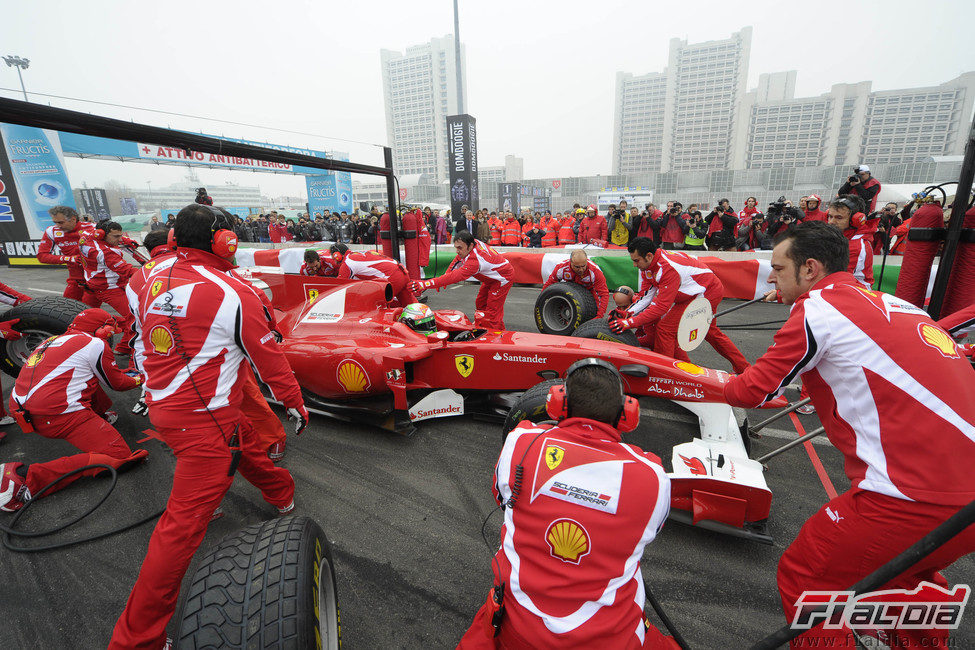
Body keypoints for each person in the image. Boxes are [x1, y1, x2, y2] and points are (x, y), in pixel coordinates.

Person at [724, 221, 975, 649]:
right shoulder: (899, 304)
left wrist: (690, 377)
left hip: (908, 498)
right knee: (901, 579)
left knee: (807, 578)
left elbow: (750, 390)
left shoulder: (818, 309)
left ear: (810, 270)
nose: (772, 277)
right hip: (963, 506)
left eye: (779, 268)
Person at [110, 204, 309, 648]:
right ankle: (136, 638)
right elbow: (269, 358)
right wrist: (295, 403)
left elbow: (140, 336)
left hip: (168, 406)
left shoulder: (145, 277)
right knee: (179, 531)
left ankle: (281, 492)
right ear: (226, 242)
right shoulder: (235, 290)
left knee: (241, 444)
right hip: (203, 418)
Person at [457, 357, 676, 649]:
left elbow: (502, 498)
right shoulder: (654, 477)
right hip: (607, 640)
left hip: (516, 631)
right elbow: (648, 534)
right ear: (626, 414)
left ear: (558, 403)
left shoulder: (520, 443)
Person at [2, 308, 147, 513]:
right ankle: (25, 477)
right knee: (117, 458)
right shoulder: (94, 344)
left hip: (23, 410)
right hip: (57, 415)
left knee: (87, 376)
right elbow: (118, 384)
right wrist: (143, 378)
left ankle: (99, 416)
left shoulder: (50, 341)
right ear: (102, 330)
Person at [609, 237, 750, 374]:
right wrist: (627, 313)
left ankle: (665, 375)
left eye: (636, 261)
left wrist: (629, 323)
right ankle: (743, 368)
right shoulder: (647, 265)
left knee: (665, 330)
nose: (634, 265)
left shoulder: (667, 268)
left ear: (649, 256)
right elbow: (646, 296)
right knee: (709, 332)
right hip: (691, 293)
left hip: (706, 292)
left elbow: (661, 307)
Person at [410, 231, 514, 329]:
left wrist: (425, 284)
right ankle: (484, 327)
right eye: (456, 247)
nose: (457, 251)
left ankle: (496, 337)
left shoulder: (475, 261)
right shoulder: (471, 243)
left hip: (502, 279)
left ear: (471, 246)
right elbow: (457, 260)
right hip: (492, 278)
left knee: (492, 311)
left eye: (460, 248)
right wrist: (446, 274)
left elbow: (454, 277)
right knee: (480, 303)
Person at [78, 220, 138, 356]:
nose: (120, 239)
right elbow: (127, 270)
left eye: (121, 235)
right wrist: (152, 272)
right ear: (102, 234)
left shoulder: (86, 235)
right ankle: (123, 347)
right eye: (116, 237)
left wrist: (126, 240)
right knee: (135, 318)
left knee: (84, 318)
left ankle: (80, 345)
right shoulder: (105, 253)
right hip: (110, 288)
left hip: (91, 285)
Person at [37, 205, 98, 306]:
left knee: (87, 312)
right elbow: (42, 256)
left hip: (96, 279)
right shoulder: (51, 231)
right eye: (55, 222)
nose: (58, 226)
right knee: (66, 309)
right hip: (76, 279)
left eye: (61, 222)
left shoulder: (93, 228)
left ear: (73, 219)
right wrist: (69, 259)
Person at [330, 244, 417, 306]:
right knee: (411, 306)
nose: (334, 261)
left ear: (337, 255)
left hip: (391, 277)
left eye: (334, 258)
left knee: (375, 304)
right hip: (402, 271)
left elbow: (339, 287)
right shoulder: (356, 255)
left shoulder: (347, 263)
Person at [827, 195, 876, 290]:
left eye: (839, 218)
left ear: (855, 220)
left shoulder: (857, 246)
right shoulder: (836, 235)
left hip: (855, 293)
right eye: (830, 216)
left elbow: (838, 278)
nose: (831, 222)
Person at [542, 250, 610, 317]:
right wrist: (541, 300)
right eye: (577, 267)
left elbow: (603, 294)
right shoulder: (561, 268)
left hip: (590, 293)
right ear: (570, 262)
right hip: (569, 292)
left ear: (586, 261)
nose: (580, 270)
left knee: (594, 314)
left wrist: (599, 315)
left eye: (583, 266)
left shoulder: (595, 271)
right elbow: (549, 284)